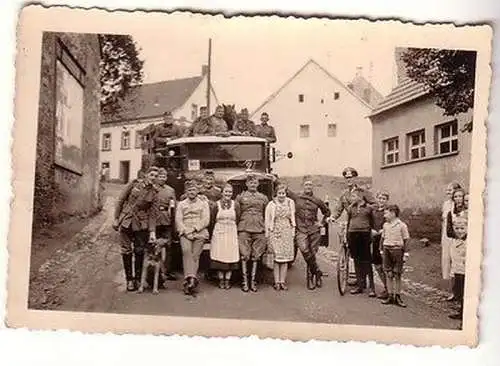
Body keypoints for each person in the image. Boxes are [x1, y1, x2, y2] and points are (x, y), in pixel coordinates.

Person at [113, 167, 158, 291]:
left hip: (141, 224)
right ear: (146, 175)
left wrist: (152, 231)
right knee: (126, 250)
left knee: (139, 251)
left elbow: (153, 213)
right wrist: (116, 218)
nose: (153, 177)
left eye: (155, 176)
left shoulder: (154, 192)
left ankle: (138, 279)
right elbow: (121, 200)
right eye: (152, 174)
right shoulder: (133, 184)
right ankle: (129, 280)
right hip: (126, 220)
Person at [331, 167, 376, 291]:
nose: (348, 179)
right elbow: (338, 209)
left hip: (364, 228)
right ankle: (360, 284)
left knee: (366, 257)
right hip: (351, 228)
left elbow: (375, 204)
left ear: (355, 178)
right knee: (356, 257)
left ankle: (371, 287)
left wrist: (364, 205)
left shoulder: (363, 191)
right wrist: (332, 217)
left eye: (350, 177)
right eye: (346, 177)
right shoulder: (344, 195)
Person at [287, 176, 331, 290]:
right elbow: (284, 190)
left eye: (310, 185)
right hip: (301, 229)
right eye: (306, 184)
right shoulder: (296, 197)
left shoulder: (317, 200)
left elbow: (327, 212)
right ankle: (317, 272)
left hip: (313, 230)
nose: (308, 187)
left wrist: (321, 223)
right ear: (303, 186)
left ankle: (311, 278)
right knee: (304, 250)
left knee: (312, 253)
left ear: (313, 187)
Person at [175, 180, 210, 295]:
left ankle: (189, 280)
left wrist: (194, 229)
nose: (191, 192)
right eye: (189, 190)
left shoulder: (203, 203)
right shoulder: (181, 204)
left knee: (195, 255)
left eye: (194, 190)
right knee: (186, 252)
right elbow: (178, 220)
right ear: (186, 191)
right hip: (185, 232)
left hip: (199, 231)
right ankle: (191, 279)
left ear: (197, 191)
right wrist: (185, 231)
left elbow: (206, 220)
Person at [235, 174, 269, 292]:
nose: (253, 184)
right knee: (244, 255)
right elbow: (237, 213)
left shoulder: (263, 198)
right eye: (250, 182)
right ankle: (245, 281)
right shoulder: (240, 197)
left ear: (258, 184)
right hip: (244, 227)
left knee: (256, 256)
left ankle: (253, 281)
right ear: (246, 184)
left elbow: (266, 213)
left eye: (255, 182)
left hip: (259, 228)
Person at [344, 187, 376, 296]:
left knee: (366, 261)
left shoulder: (368, 208)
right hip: (353, 234)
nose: (351, 198)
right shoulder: (350, 208)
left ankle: (372, 287)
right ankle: (360, 286)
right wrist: (347, 236)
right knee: (356, 260)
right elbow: (348, 222)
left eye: (353, 196)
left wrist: (372, 233)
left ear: (360, 197)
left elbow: (373, 223)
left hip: (364, 235)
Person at [265, 183, 296, 291]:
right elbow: (268, 220)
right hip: (275, 231)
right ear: (276, 193)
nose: (282, 195)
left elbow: (292, 217)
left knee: (285, 258)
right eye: (279, 193)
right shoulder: (271, 204)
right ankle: (276, 282)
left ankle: (282, 281)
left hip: (286, 231)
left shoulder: (290, 202)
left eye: (283, 193)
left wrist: (293, 231)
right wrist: (268, 235)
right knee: (277, 258)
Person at [210, 184, 241, 289]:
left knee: (230, 255)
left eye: (230, 192)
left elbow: (238, 218)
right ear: (222, 193)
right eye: (226, 192)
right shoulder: (216, 205)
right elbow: (212, 219)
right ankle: (221, 279)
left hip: (231, 232)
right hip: (219, 232)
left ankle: (227, 280)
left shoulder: (235, 205)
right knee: (220, 255)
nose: (228, 194)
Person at [380, 204, 410, 307]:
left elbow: (406, 240)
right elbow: (382, 238)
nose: (384, 216)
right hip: (386, 249)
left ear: (393, 213)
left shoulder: (402, 225)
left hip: (397, 251)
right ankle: (390, 295)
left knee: (397, 274)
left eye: (386, 213)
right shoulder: (385, 225)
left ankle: (397, 296)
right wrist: (381, 250)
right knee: (388, 273)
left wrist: (405, 253)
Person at [150, 167, 177, 282]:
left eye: (164, 177)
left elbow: (173, 206)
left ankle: (167, 271)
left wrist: (173, 219)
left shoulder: (170, 190)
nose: (162, 179)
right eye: (160, 176)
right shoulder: (152, 189)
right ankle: (154, 271)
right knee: (154, 245)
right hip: (154, 219)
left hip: (166, 219)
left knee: (168, 245)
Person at [441, 182, 462, 300]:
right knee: (447, 261)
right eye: (447, 190)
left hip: (456, 236)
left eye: (450, 190)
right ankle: (453, 291)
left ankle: (458, 292)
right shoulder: (445, 204)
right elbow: (443, 222)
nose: (447, 192)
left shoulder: (459, 205)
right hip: (446, 236)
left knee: (456, 262)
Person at [448, 216, 467, 320]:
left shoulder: (468, 242)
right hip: (457, 270)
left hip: (465, 271)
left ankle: (465, 313)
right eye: (457, 228)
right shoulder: (454, 241)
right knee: (458, 291)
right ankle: (461, 311)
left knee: (465, 292)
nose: (459, 231)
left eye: (462, 228)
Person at [371, 191, 390, 299]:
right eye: (380, 198)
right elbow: (368, 221)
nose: (381, 200)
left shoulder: (389, 210)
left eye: (384, 198)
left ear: (387, 200)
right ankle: (385, 285)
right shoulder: (373, 210)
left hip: (385, 239)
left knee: (385, 264)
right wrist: (371, 230)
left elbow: (392, 221)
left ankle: (389, 289)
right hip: (375, 239)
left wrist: (384, 230)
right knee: (377, 264)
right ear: (377, 199)